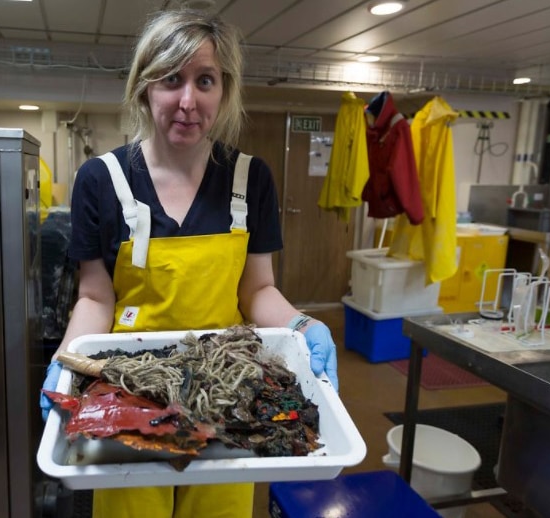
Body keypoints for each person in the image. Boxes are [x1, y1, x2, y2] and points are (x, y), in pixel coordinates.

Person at [40, 9, 339, 518]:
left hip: (230, 393)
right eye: (171, 79)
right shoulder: (100, 179)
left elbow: (257, 290)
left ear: (224, 91)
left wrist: (303, 324)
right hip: (131, 390)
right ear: (144, 88)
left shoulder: (250, 179)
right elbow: (96, 295)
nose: (188, 101)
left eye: (205, 81)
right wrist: (66, 360)